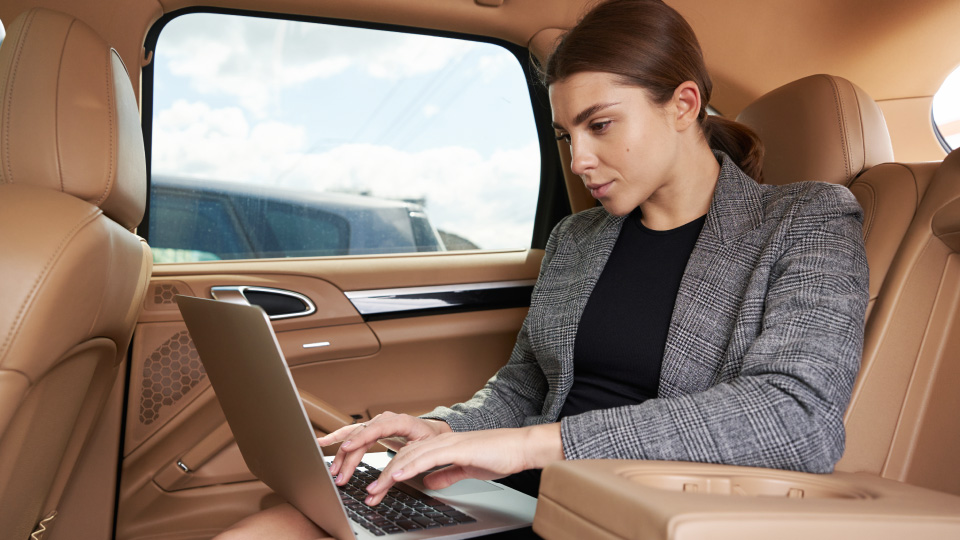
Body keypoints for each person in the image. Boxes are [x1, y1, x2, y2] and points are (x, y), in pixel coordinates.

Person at [215, 0, 868, 536]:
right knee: (280, 523)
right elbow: (525, 386)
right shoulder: (578, 237)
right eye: (566, 136)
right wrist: (443, 429)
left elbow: (794, 419)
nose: (580, 160)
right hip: (521, 500)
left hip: (635, 518)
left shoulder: (804, 221)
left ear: (684, 104)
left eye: (601, 125)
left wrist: (534, 447)